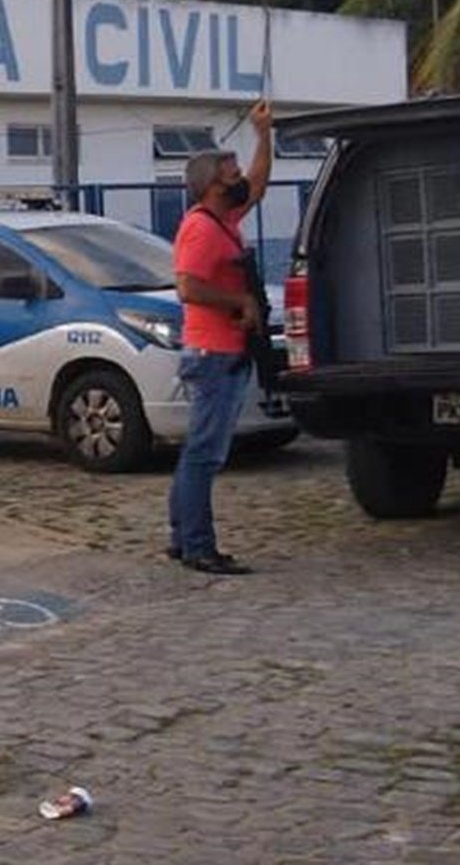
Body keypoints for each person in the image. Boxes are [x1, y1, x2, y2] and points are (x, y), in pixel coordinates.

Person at [168, 100, 273, 575]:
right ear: (213, 185)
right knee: (204, 455)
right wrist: (240, 304)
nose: (240, 180)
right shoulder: (201, 230)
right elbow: (188, 287)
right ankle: (197, 545)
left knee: (199, 450)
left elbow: (260, 181)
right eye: (231, 174)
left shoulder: (223, 220)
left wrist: (263, 134)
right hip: (214, 353)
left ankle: (182, 536)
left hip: (224, 351)